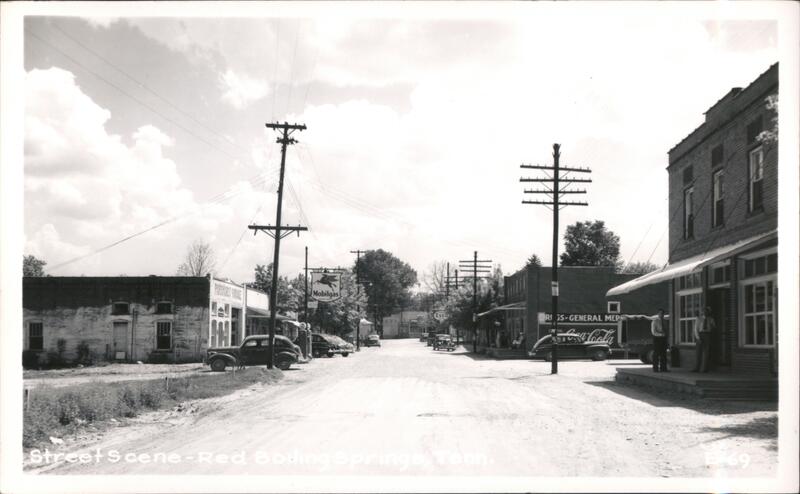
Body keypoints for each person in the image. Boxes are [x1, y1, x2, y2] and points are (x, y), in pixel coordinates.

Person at [693, 307, 715, 372]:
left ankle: (705, 368)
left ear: (708, 312)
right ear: (702, 312)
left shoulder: (711, 319)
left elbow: (714, 327)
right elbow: (695, 329)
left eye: (707, 311)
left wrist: (712, 329)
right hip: (700, 334)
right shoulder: (699, 318)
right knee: (698, 352)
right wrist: (698, 338)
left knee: (706, 352)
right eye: (704, 311)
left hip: (707, 335)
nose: (705, 312)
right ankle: (697, 368)